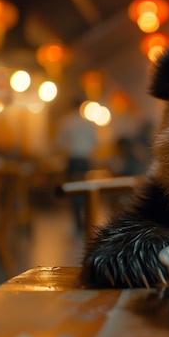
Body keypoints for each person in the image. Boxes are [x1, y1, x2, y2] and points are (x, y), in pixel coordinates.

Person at [55, 100, 99, 236]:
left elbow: (58, 143)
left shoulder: (66, 122)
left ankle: (77, 225)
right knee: (87, 192)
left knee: (73, 192)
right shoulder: (88, 123)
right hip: (85, 161)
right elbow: (95, 143)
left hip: (73, 161)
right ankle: (87, 224)